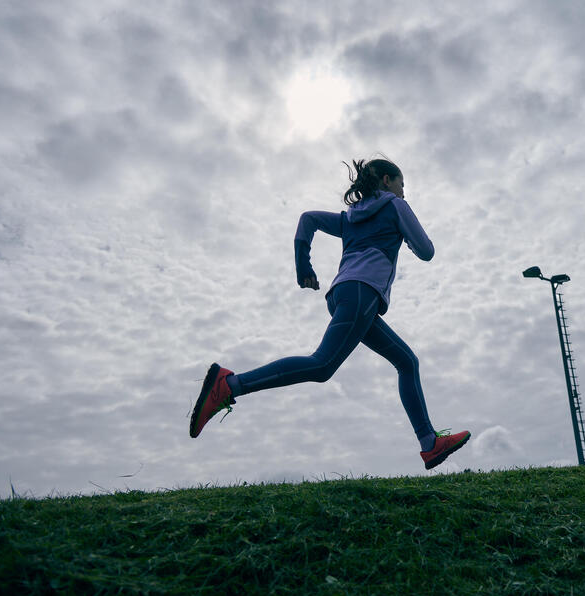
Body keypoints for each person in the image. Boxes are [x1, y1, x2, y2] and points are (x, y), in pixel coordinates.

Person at [190, 157, 471, 470]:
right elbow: (427, 251)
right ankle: (229, 385)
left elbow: (308, 219)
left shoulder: (349, 218)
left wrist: (303, 264)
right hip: (362, 294)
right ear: (387, 181)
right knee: (321, 365)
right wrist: (404, 234)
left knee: (407, 361)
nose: (404, 192)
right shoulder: (396, 206)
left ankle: (429, 445)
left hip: (342, 296)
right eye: (402, 184)